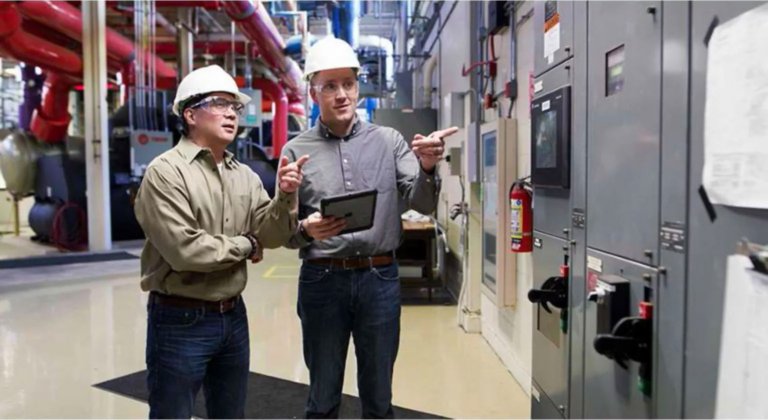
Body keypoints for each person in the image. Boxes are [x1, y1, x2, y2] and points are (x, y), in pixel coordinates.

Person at [281, 37, 459, 418]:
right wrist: (304, 228)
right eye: (329, 86)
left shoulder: (389, 141)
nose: (342, 94)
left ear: (358, 86)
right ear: (313, 92)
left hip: (378, 279)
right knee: (323, 394)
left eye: (348, 83)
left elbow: (423, 203)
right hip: (321, 281)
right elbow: (285, 232)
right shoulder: (296, 150)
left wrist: (428, 167)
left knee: (378, 396)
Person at [134, 64, 307, 419]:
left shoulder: (243, 175)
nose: (231, 113)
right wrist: (247, 245)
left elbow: (272, 234)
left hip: (232, 317)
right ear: (190, 114)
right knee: (173, 413)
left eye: (235, 107)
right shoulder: (165, 173)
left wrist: (286, 196)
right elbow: (186, 251)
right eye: (219, 103)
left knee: (230, 414)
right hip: (179, 319)